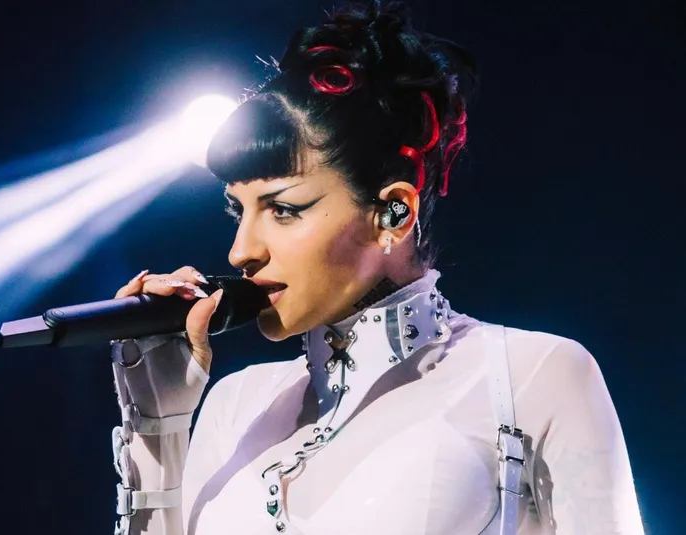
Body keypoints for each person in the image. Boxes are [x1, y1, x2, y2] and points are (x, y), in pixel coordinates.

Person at [109, 2, 644, 534]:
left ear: (393, 213)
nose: (241, 251)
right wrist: (158, 423)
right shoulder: (234, 404)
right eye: (238, 211)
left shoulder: (533, 375)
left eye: (283, 209)